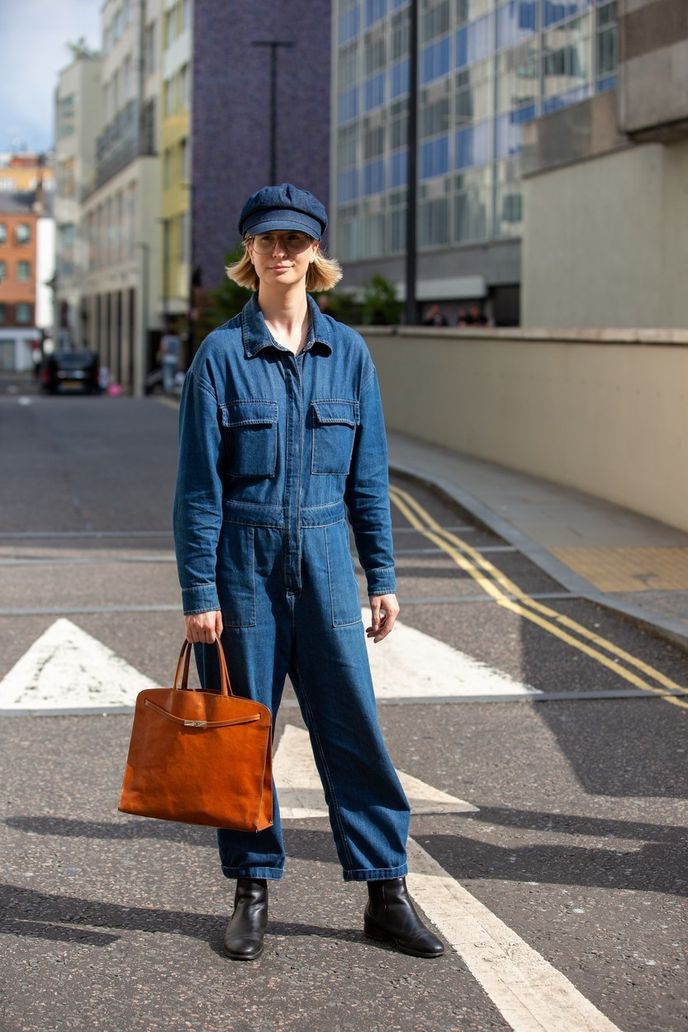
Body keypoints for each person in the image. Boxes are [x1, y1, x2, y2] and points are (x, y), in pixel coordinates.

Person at [173, 183, 444, 962]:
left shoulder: (348, 353)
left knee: (353, 730)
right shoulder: (221, 356)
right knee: (242, 738)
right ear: (249, 253)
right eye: (268, 239)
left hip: (327, 566)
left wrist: (381, 574)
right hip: (243, 571)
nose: (282, 250)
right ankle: (251, 890)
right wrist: (199, 591)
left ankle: (385, 894)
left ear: (316, 252)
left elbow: (368, 477)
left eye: (296, 238)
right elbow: (200, 488)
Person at [159, 324, 182, 391]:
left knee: (167, 375)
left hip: (167, 359)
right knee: (173, 375)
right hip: (175, 359)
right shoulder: (177, 339)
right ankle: (173, 388)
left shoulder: (165, 339)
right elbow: (179, 351)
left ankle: (168, 389)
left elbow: (163, 349)